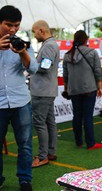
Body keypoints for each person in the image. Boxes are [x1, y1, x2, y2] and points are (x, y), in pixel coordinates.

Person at [0, 5, 38, 191]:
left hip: (21, 101)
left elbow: (34, 69)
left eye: (16, 25)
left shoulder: (23, 43)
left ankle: (25, 180)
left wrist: (22, 52)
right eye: (9, 25)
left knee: (25, 145)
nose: (13, 29)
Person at [62, 30, 102, 150]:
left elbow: (65, 75)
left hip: (73, 89)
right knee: (88, 116)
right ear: (86, 40)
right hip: (89, 88)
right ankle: (90, 143)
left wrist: (66, 89)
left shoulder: (67, 55)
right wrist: (99, 86)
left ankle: (78, 141)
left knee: (77, 116)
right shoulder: (92, 53)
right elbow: (97, 71)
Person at [30, 20, 60, 168]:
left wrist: (29, 64)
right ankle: (50, 152)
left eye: (34, 31)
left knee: (40, 123)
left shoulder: (48, 46)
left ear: (41, 31)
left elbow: (45, 67)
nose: (34, 35)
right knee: (49, 122)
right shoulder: (51, 44)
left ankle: (42, 156)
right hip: (47, 90)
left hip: (42, 91)